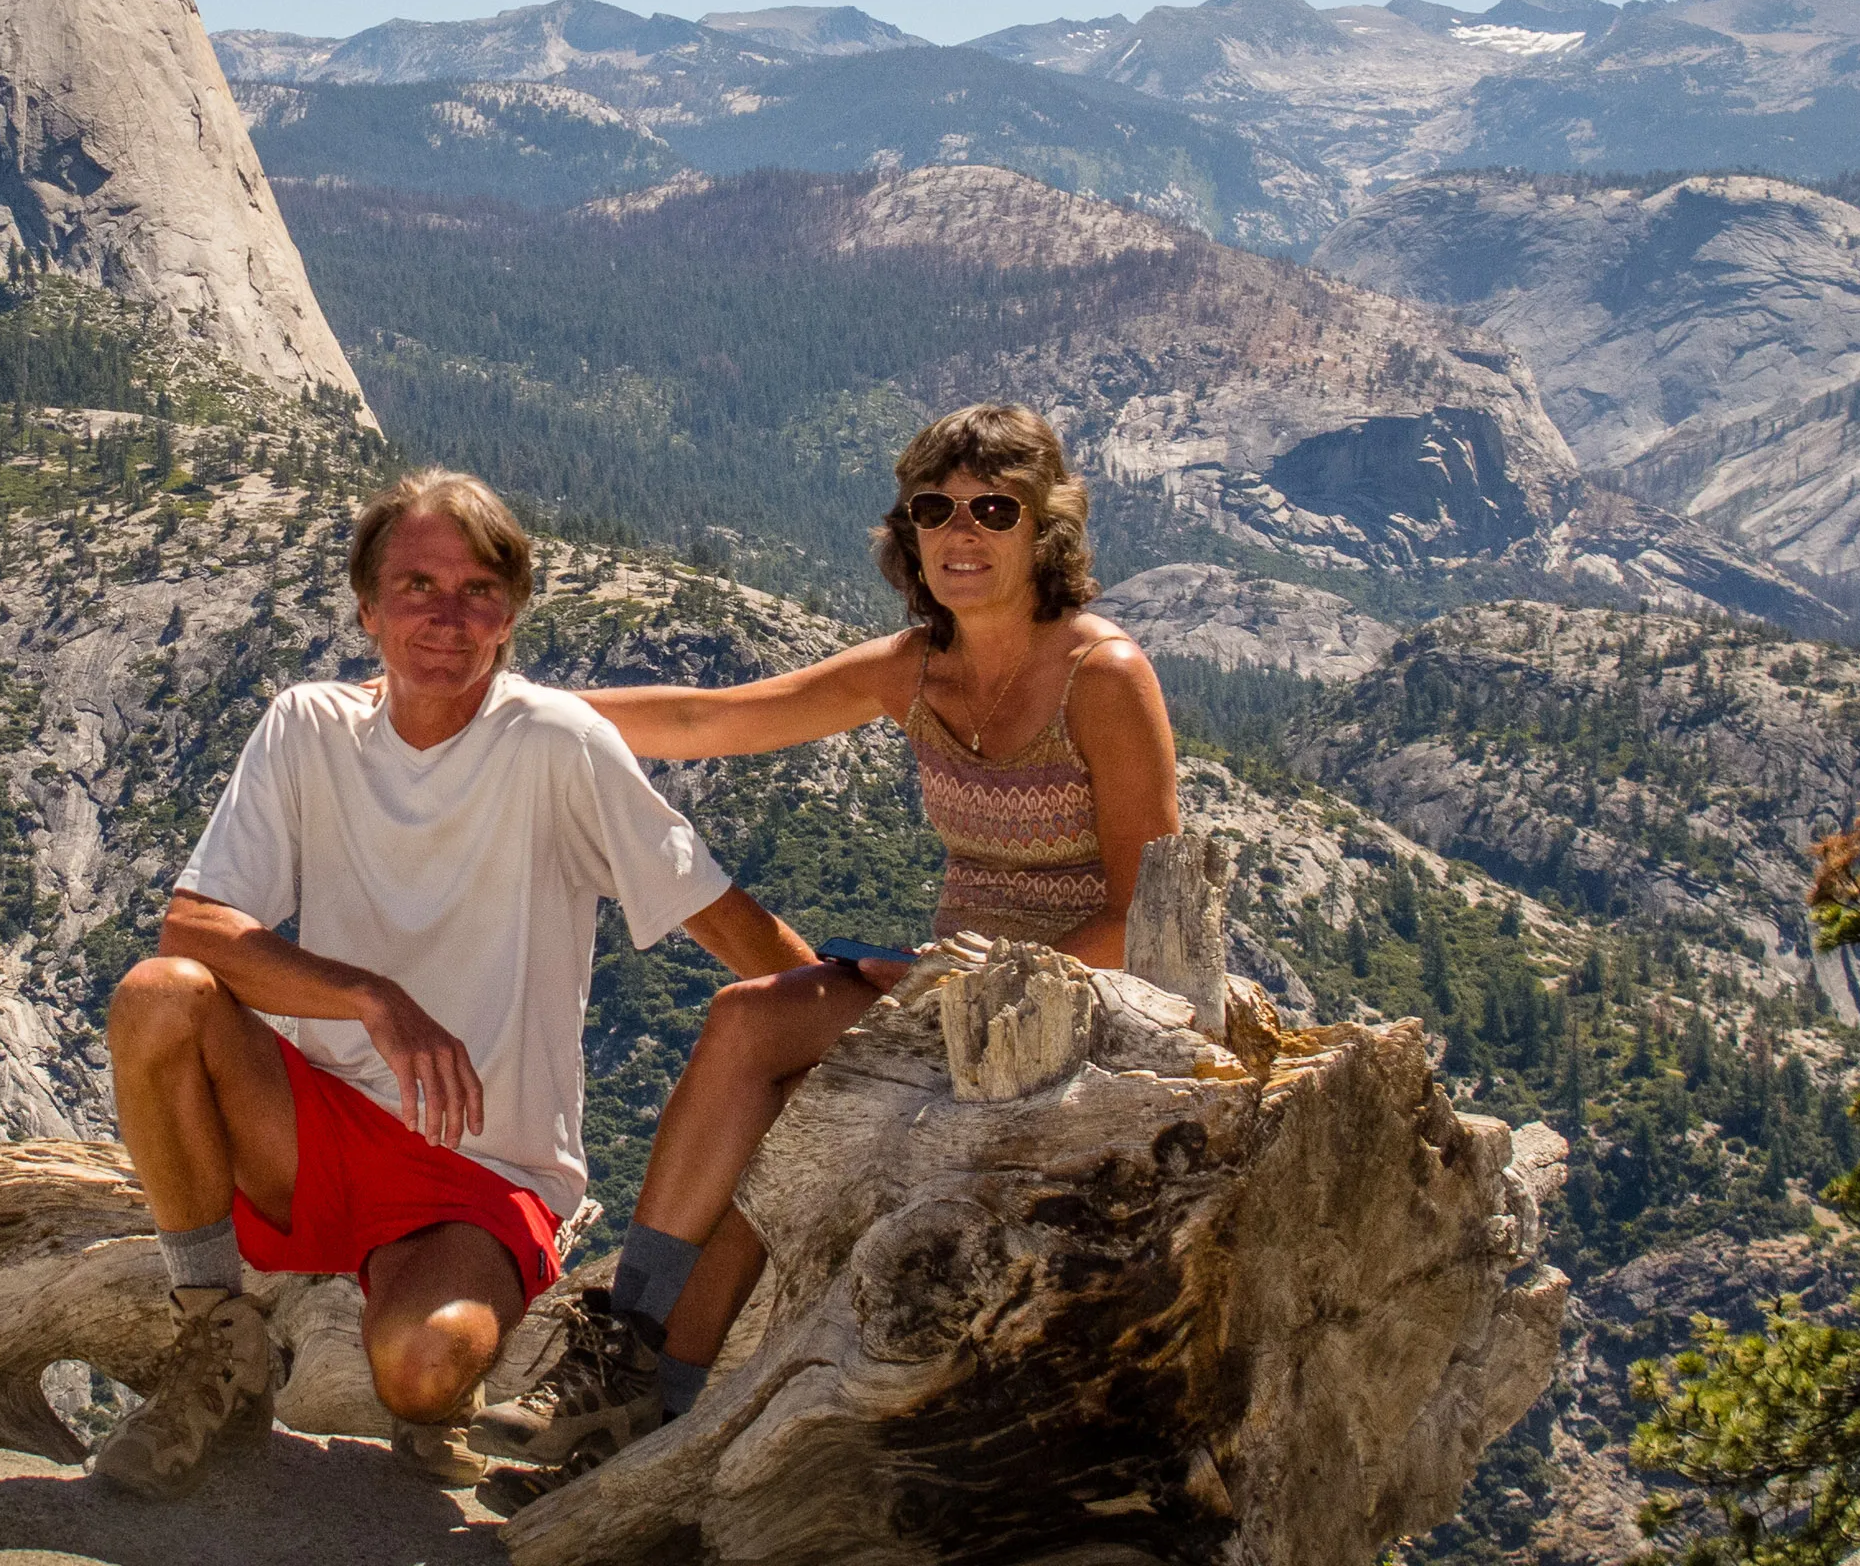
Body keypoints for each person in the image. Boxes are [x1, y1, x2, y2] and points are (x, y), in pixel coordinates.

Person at [469, 403, 1180, 1510]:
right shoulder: (918, 666)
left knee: (792, 1084)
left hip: (1087, 1006)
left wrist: (983, 980)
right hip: (947, 988)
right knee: (753, 1024)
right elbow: (714, 721)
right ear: (907, 530)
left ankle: (647, 1396)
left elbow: (1151, 912)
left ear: (1045, 528)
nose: (963, 532)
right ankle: (634, 1359)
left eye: (996, 509)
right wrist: (506, 709)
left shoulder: (1103, 675)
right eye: (935, 509)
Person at [92, 466, 824, 1500]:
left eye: (477, 588)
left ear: (512, 612)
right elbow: (196, 925)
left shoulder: (557, 745)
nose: (446, 615)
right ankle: (218, 1338)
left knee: (423, 1368)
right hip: (317, 1124)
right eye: (417, 586)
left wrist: (855, 1017)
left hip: (486, 1163)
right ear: (367, 608)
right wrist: (372, 999)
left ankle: (431, 1370)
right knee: (159, 992)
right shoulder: (309, 725)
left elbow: (718, 913)